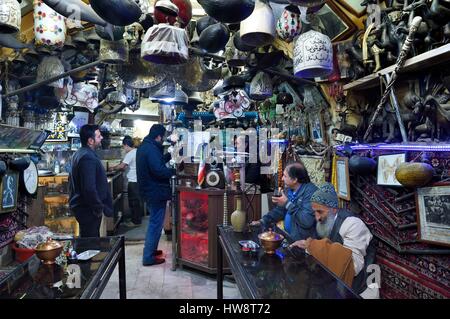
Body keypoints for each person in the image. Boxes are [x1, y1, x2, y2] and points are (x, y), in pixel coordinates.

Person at [291, 183, 378, 298]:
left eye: (320, 212)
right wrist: (305, 246)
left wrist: (312, 246)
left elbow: (353, 266)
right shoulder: (325, 223)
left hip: (360, 289)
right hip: (335, 282)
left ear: (334, 209)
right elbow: (323, 246)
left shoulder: (353, 224)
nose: (317, 218)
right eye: (314, 212)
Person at [137, 124, 175, 266]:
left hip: (150, 190)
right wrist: (173, 172)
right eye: (163, 137)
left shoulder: (147, 146)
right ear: (158, 136)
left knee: (154, 222)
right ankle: (148, 257)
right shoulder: (151, 148)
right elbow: (158, 170)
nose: (163, 140)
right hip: (155, 191)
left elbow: (156, 163)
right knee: (155, 224)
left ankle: (151, 250)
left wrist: (169, 155)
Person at [250, 162, 318, 241]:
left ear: (295, 180)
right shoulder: (289, 189)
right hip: (288, 237)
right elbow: (280, 210)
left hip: (303, 242)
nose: (282, 178)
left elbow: (306, 221)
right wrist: (263, 221)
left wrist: (287, 203)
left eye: (285, 176)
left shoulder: (311, 193)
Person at [69, 124, 113, 237]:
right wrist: (98, 207)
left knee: (88, 241)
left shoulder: (79, 153)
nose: (102, 138)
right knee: (90, 244)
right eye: (98, 136)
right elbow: (89, 188)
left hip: (84, 207)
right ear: (90, 141)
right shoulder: (87, 157)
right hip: (88, 210)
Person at [109, 135, 142, 226]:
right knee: (136, 202)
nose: (124, 149)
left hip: (133, 181)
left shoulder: (130, 154)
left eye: (123, 147)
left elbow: (122, 166)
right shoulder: (136, 151)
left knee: (133, 202)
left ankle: (135, 222)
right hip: (137, 180)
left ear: (127, 145)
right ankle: (136, 220)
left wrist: (113, 168)